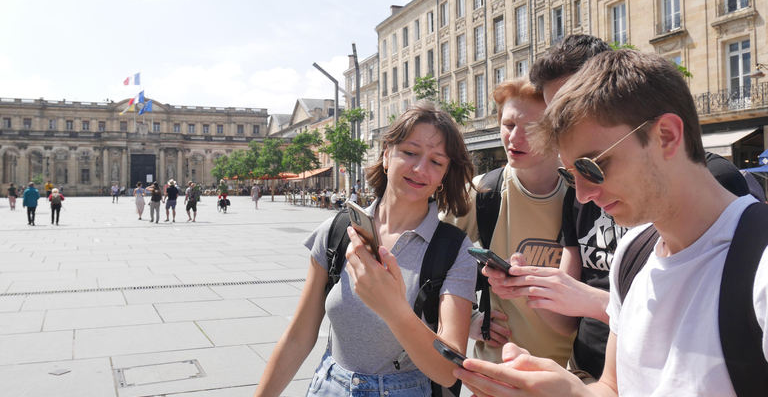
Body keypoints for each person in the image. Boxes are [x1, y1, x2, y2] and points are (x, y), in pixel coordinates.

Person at [454, 49, 768, 397]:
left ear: (666, 135)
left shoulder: (759, 267)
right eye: (570, 174)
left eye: (592, 167)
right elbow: (614, 388)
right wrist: (568, 391)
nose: (584, 194)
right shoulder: (632, 254)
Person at [254, 101, 478, 397]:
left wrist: (394, 309)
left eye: (436, 161)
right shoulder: (337, 231)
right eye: (410, 153)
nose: (420, 168)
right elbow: (298, 337)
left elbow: (450, 371)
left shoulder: (455, 250)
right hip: (329, 386)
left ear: (443, 176)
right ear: (387, 155)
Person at [441, 77, 572, 367]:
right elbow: (427, 258)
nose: (515, 138)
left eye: (533, 127)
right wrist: (470, 319)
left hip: (574, 378)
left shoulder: (586, 196)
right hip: (497, 375)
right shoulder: (483, 192)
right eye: (509, 125)